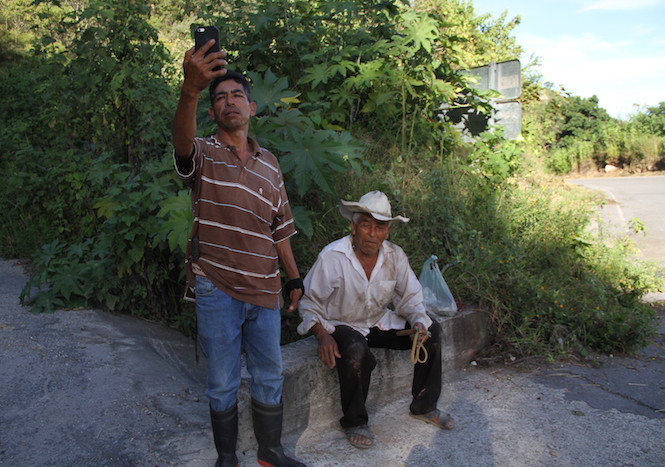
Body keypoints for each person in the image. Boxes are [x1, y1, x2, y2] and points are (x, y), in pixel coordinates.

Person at [172, 37, 305, 467]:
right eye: (220, 98)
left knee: (269, 374)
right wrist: (190, 90)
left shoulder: (270, 164)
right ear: (212, 112)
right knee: (223, 380)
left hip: (265, 289)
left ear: (251, 107)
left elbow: (280, 228)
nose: (229, 102)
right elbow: (181, 143)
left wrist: (295, 278)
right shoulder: (204, 154)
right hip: (217, 287)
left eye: (237, 96)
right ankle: (226, 458)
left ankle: (270, 453)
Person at [297, 191, 455, 449]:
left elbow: (411, 297)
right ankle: (355, 421)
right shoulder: (333, 256)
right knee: (355, 347)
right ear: (353, 227)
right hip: (341, 324)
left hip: (377, 322)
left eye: (379, 227)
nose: (371, 234)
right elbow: (308, 302)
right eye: (365, 225)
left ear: (388, 231)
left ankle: (424, 406)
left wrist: (417, 322)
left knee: (431, 330)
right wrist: (322, 334)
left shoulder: (395, 256)